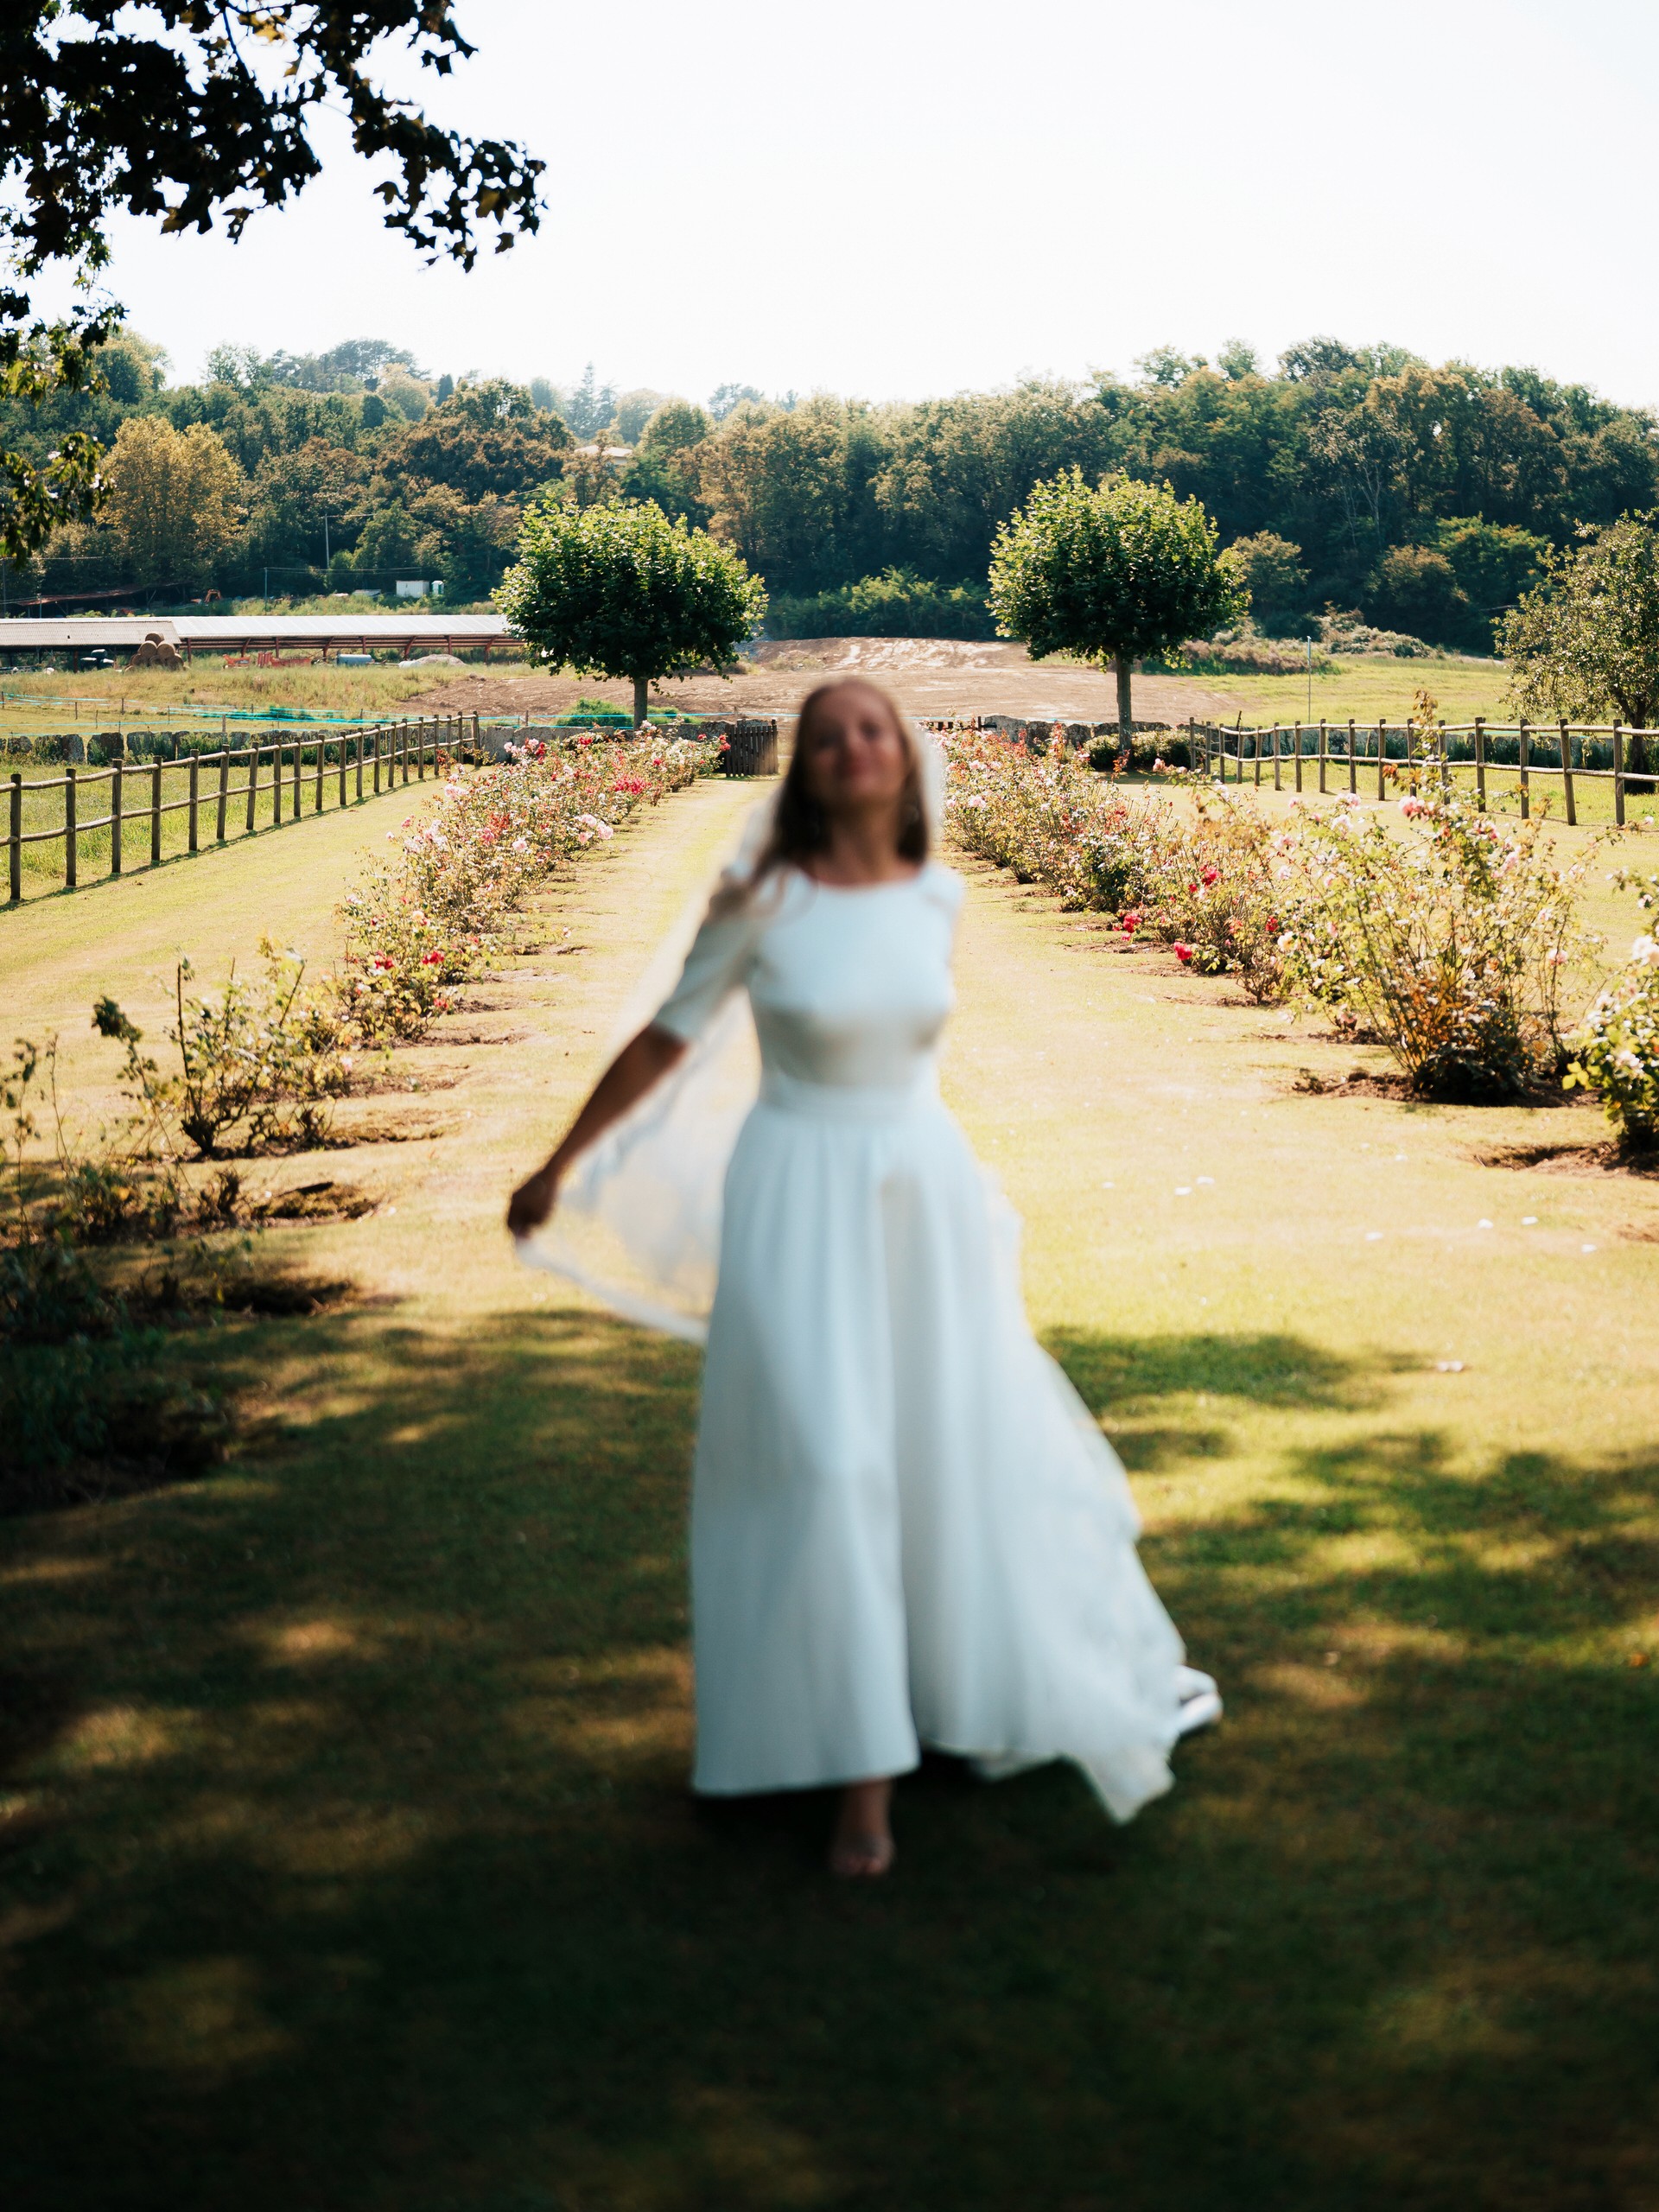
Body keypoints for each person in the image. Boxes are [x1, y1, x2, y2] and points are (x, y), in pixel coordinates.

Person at [508, 679, 1218, 1878]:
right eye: (827, 735)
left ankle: (935, 1702)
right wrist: (559, 1165)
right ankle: (859, 1786)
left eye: (872, 729)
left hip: (921, 1197)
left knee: (938, 1458)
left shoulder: (936, 897)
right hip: (795, 1195)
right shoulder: (761, 899)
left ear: (904, 756)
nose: (852, 748)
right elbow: (667, 1039)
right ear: (804, 766)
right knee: (828, 1465)